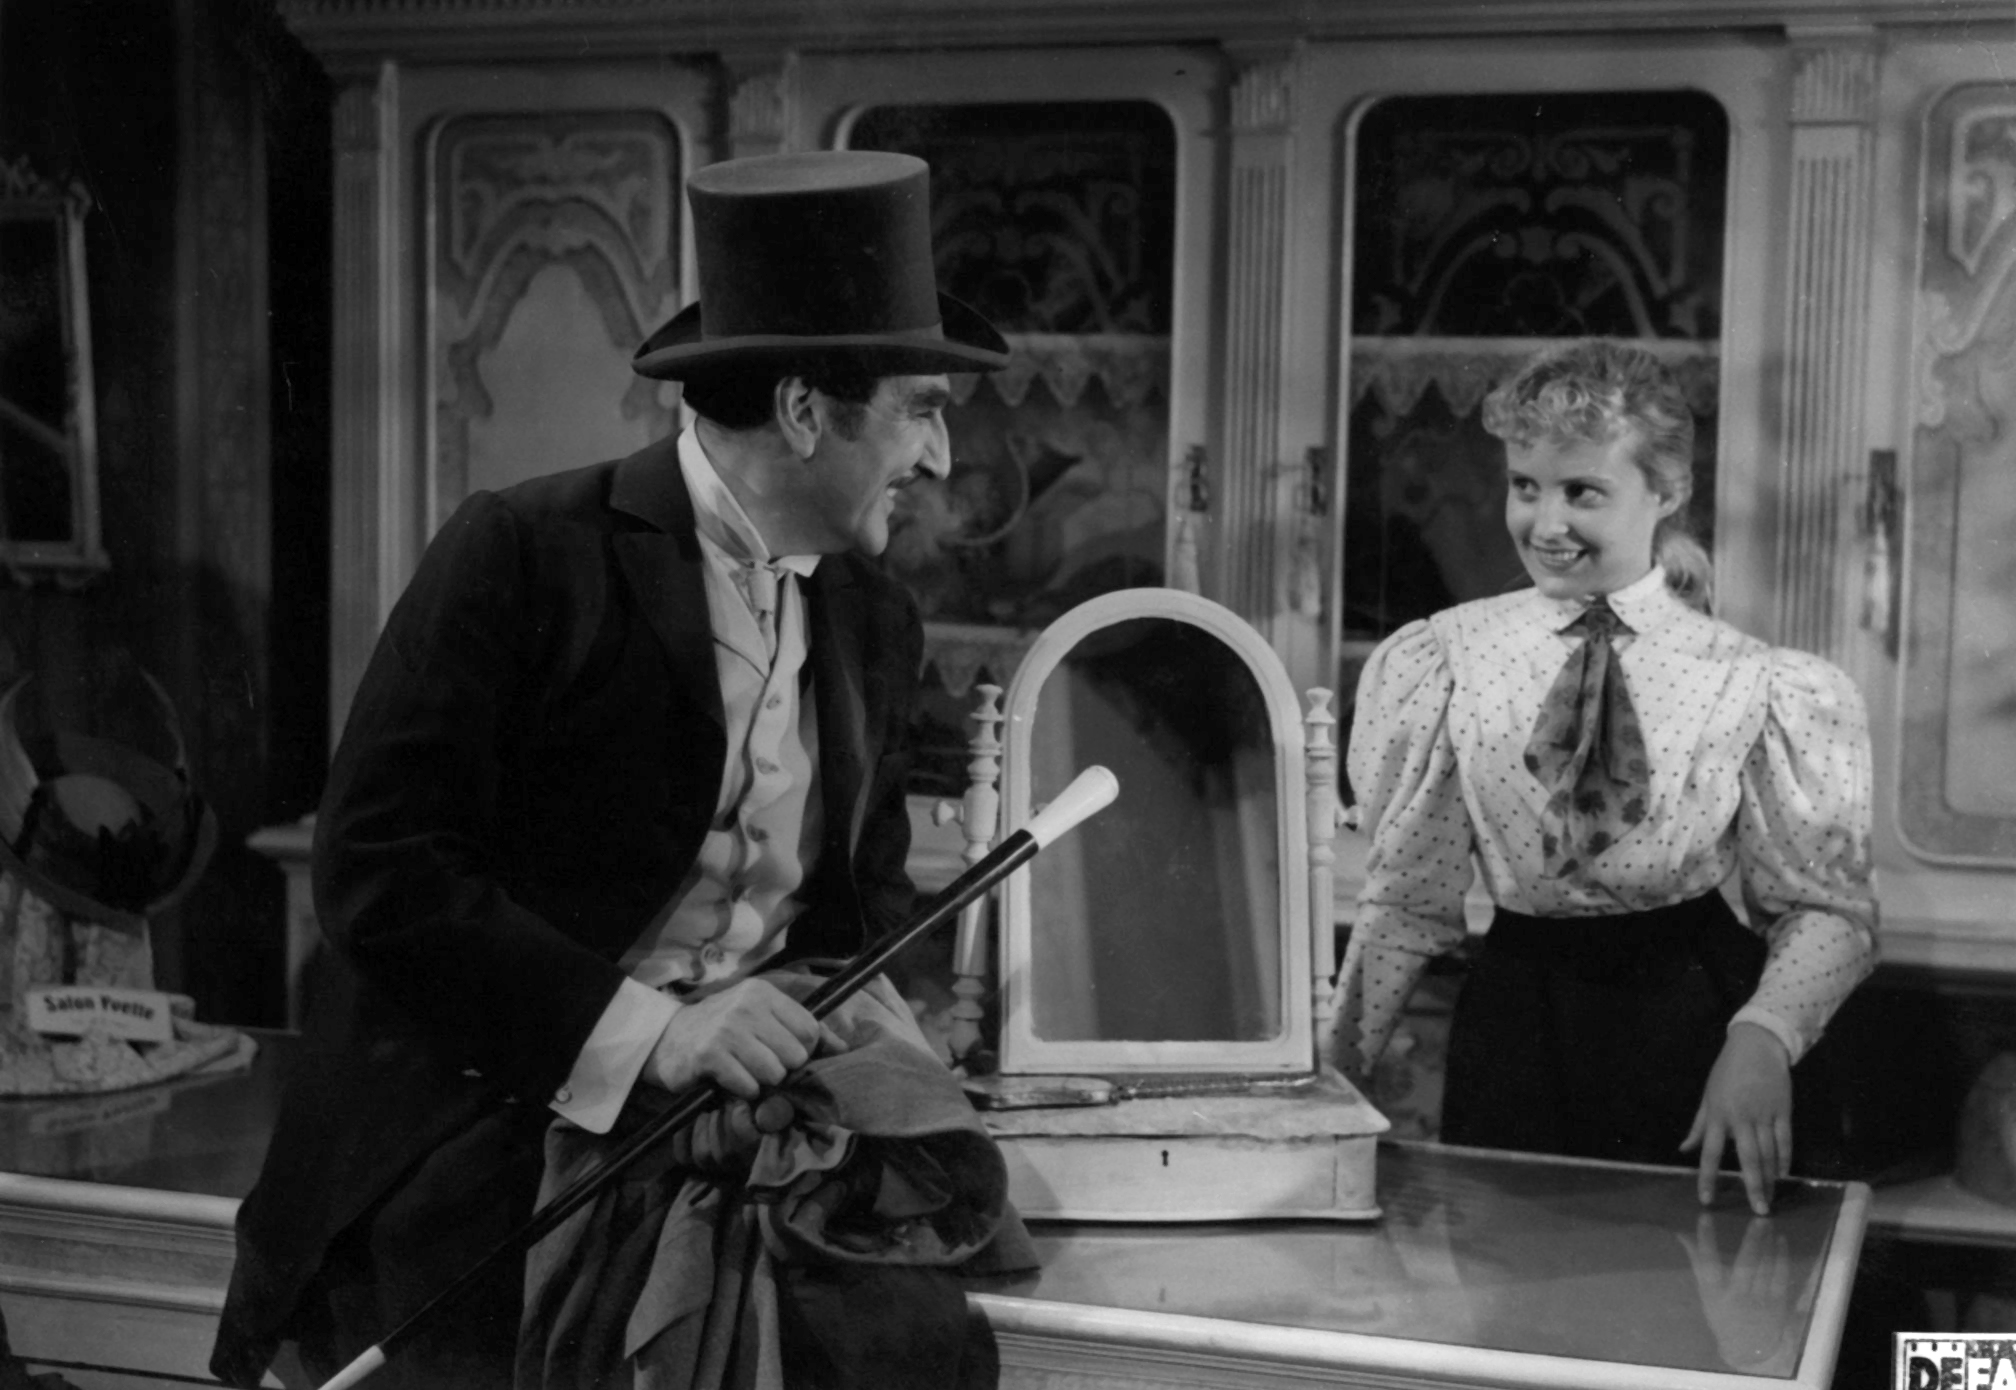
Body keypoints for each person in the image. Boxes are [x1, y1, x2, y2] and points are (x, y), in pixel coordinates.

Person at [212, 149, 1024, 1390]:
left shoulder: (873, 616)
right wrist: (656, 1035)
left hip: (734, 1139)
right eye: (922, 408)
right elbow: (380, 874)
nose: (944, 457)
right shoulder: (526, 553)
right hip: (481, 1150)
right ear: (806, 410)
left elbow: (856, 916)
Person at [1335, 338, 1877, 1218]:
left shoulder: (1755, 680)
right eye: (1525, 486)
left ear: (1667, 491)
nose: (1546, 523)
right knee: (1511, 1282)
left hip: (1702, 1030)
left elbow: (1830, 907)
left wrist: (1765, 1037)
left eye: (1582, 491)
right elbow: (1406, 900)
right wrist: (1335, 1072)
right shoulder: (1448, 659)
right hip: (1515, 1029)